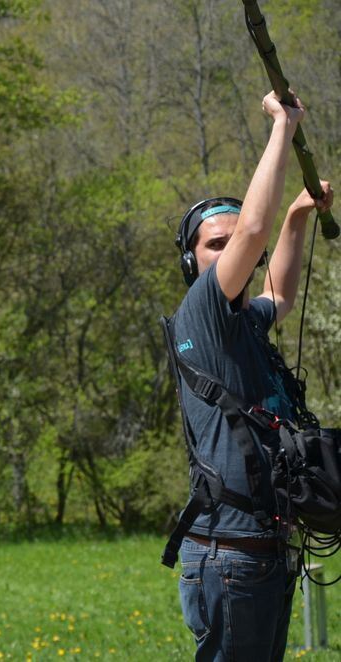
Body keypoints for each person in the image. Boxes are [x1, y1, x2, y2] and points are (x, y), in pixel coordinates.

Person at [168, 90, 333, 660]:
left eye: (234, 243)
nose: (233, 251)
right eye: (217, 244)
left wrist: (295, 216)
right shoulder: (203, 310)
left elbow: (280, 294)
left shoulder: (242, 322)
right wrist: (282, 128)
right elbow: (253, 234)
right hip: (229, 555)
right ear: (192, 262)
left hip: (264, 552)